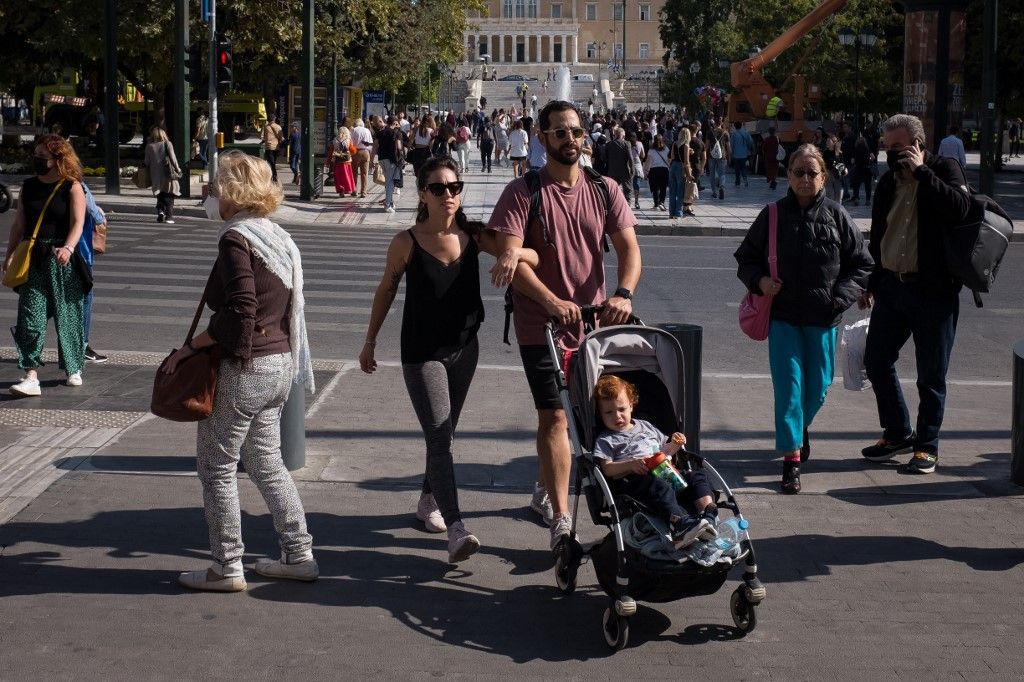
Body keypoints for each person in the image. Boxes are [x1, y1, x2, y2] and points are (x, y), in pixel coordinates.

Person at [360, 156, 541, 563]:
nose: (449, 196)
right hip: (422, 353)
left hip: (465, 350)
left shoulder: (474, 236)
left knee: (444, 434)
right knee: (440, 435)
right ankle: (457, 527)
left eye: (455, 188)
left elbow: (534, 257)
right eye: (439, 189)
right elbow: (385, 291)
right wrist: (369, 341)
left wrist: (513, 257)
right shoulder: (406, 241)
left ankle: (427, 499)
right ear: (422, 193)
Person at [490, 100, 641, 551]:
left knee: (590, 414)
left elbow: (630, 249)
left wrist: (623, 294)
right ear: (542, 138)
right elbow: (512, 259)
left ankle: (544, 486)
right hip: (542, 325)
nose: (569, 139)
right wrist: (553, 301)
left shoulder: (603, 188)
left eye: (575, 131)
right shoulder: (523, 191)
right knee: (554, 416)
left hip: (594, 323)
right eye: (559, 132)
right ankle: (560, 518)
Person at [174, 150, 317, 591]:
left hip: (247, 366)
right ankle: (299, 554)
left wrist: (191, 348)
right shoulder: (278, 236)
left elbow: (240, 310)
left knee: (216, 467)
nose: (214, 193)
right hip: (280, 366)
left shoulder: (236, 238)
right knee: (267, 462)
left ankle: (226, 566)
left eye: (218, 185)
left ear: (234, 192)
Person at [735, 144, 872, 494]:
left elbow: (861, 264)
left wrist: (841, 297)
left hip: (823, 319)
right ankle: (791, 462)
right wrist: (760, 281)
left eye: (812, 173)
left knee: (819, 389)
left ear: (824, 176)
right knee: (790, 390)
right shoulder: (772, 215)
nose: (805, 179)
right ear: (788, 176)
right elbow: (747, 259)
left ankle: (797, 429)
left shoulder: (838, 216)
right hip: (783, 318)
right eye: (799, 172)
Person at [860, 113, 971, 475]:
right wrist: (871, 283)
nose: (893, 155)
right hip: (892, 286)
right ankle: (897, 432)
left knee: (931, 374)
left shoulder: (945, 168)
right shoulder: (888, 182)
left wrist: (923, 172)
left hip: (934, 291)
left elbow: (961, 209)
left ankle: (926, 446)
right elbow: (879, 235)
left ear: (919, 144)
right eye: (888, 148)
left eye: (900, 147)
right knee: (876, 360)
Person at [3, 134, 91, 396]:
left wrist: (68, 248)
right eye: (36, 156)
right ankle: (30, 374)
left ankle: (73, 367)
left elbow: (78, 223)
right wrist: (8, 255)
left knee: (68, 316)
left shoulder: (72, 186)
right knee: (30, 316)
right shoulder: (29, 186)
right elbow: (19, 224)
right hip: (34, 258)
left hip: (62, 258)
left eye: (43, 157)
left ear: (58, 159)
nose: (38, 161)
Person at [593, 375, 718, 547]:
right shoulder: (606, 439)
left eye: (621, 409)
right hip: (637, 480)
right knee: (658, 483)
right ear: (600, 415)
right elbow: (607, 469)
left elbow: (665, 449)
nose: (617, 416)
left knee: (696, 477)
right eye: (609, 412)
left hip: (666, 470)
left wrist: (675, 443)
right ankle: (678, 524)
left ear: (631, 405)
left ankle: (708, 514)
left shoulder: (645, 426)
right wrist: (630, 465)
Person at [80, 183, 107, 363]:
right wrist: (100, 212)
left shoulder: (36, 185)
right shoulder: (77, 185)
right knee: (85, 297)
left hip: (47, 251)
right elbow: (96, 216)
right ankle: (81, 346)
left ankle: (26, 339)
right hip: (79, 251)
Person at [143, 126, 182, 224]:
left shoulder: (149, 146)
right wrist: (178, 169)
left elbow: (146, 162)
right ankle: (169, 217)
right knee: (169, 194)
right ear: (163, 134)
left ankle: (160, 212)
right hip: (167, 173)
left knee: (160, 194)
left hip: (155, 175)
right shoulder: (167, 143)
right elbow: (173, 159)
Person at [372, 116, 404, 214]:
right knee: (390, 183)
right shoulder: (396, 133)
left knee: (388, 181)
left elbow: (375, 146)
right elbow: (398, 146)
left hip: (382, 159)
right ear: (394, 123)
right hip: (391, 160)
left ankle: (390, 201)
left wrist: (371, 161)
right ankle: (387, 205)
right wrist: (402, 156)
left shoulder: (380, 133)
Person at [604, 127, 635, 203]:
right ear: (623, 135)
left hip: (612, 171)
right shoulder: (627, 143)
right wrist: (632, 169)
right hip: (624, 170)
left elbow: (604, 158)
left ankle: (612, 203)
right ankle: (628, 204)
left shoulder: (609, 144)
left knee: (612, 189)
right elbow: (630, 157)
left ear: (615, 135)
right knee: (627, 189)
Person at [667, 126, 691, 219]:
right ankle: (678, 212)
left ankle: (671, 212)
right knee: (680, 191)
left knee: (672, 191)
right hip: (681, 167)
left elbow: (672, 156)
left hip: (673, 166)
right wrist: (689, 174)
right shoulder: (686, 145)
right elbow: (686, 161)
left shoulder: (675, 143)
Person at [643, 134, 670, 211]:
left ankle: (656, 204)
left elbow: (648, 162)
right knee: (663, 188)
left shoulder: (651, 151)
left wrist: (646, 172)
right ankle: (662, 202)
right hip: (664, 170)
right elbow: (668, 160)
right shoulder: (666, 149)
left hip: (654, 171)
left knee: (655, 188)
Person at [330, 124, 356, 197]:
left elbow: (331, 151)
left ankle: (341, 190)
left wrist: (328, 161)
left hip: (337, 161)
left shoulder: (335, 140)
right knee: (348, 176)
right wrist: (351, 152)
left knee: (339, 177)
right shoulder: (348, 140)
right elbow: (353, 150)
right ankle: (352, 189)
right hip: (346, 162)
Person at [350, 118, 374, 198]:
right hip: (365, 151)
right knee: (364, 173)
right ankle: (363, 192)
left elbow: (351, 142)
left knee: (354, 172)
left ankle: (354, 190)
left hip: (356, 152)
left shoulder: (353, 130)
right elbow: (370, 144)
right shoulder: (367, 130)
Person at [685, 124, 705, 217]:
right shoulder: (700, 143)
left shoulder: (686, 141)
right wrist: (702, 167)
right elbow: (704, 157)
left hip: (686, 166)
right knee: (692, 187)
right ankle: (688, 206)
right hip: (696, 166)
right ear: (697, 131)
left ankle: (686, 206)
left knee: (685, 186)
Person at [849, 134, 875, 206]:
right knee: (868, 185)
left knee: (856, 185)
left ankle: (857, 198)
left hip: (858, 169)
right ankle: (868, 200)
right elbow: (873, 157)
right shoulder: (868, 149)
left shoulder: (855, 149)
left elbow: (852, 161)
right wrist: (868, 159)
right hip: (867, 169)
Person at [708, 120, 730, 201]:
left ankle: (714, 192)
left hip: (712, 155)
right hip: (722, 156)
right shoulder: (725, 133)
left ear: (714, 123)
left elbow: (707, 145)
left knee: (712, 174)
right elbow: (728, 146)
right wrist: (729, 156)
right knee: (722, 173)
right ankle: (721, 186)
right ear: (721, 123)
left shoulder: (710, 132)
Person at [729, 121, 754, 188]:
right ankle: (745, 179)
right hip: (744, 154)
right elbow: (750, 142)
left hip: (736, 155)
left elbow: (731, 145)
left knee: (737, 169)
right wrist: (747, 148)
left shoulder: (734, 134)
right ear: (741, 126)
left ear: (735, 126)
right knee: (743, 167)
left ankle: (737, 183)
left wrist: (731, 153)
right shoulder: (746, 133)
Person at [261, 117, 285, 183]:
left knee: (271, 163)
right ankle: (273, 176)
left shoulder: (266, 127)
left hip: (269, 147)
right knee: (273, 162)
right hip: (276, 148)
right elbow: (281, 137)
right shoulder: (278, 127)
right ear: (274, 119)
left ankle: (274, 176)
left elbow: (262, 137)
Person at [288, 121, 302, 186]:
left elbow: (289, 143)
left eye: (292, 127)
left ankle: (297, 175)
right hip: (299, 151)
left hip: (293, 152)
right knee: (296, 165)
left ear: (296, 127)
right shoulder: (300, 134)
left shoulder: (292, 134)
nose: (291, 128)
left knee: (292, 166)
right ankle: (295, 179)